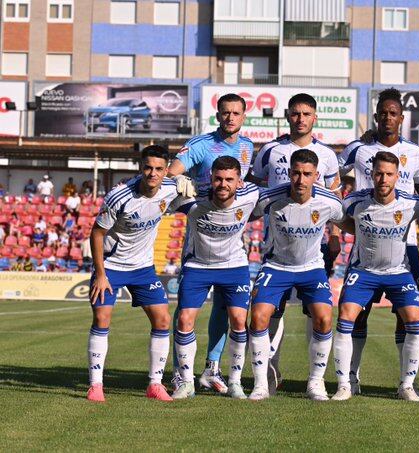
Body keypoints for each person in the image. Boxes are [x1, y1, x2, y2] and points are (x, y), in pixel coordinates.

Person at [338, 87, 419, 396]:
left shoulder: (415, 153)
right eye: (383, 113)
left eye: (394, 113)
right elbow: (330, 177)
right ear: (375, 117)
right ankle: (350, 377)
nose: (388, 118)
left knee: (408, 316)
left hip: (407, 246)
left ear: (401, 118)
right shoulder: (357, 149)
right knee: (355, 312)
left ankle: (407, 384)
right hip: (366, 242)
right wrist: (346, 224)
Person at [251, 93, 341, 394]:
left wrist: (335, 238)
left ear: (314, 117)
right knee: (268, 315)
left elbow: (336, 204)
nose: (300, 119)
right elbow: (256, 186)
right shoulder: (271, 150)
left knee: (318, 315)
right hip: (276, 247)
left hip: (312, 251)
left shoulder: (327, 155)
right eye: (295, 113)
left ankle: (315, 381)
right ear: (288, 115)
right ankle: (267, 375)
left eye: (306, 114)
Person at [167, 93, 254, 394]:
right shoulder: (201, 145)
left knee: (225, 307)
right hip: (200, 233)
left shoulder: (248, 147)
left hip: (230, 237)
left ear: (244, 116)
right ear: (217, 115)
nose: (230, 117)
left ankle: (211, 369)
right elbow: (171, 172)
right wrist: (180, 182)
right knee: (186, 311)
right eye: (225, 112)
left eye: (236, 112)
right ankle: (181, 372)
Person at [86, 145, 186, 403]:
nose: (152, 173)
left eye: (158, 169)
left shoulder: (170, 188)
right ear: (140, 167)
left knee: (163, 320)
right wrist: (100, 274)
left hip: (143, 268)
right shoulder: (119, 196)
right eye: (148, 168)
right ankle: (95, 385)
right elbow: (96, 233)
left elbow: (184, 197)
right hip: (112, 266)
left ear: (166, 171)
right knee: (102, 317)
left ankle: (155, 384)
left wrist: (188, 187)